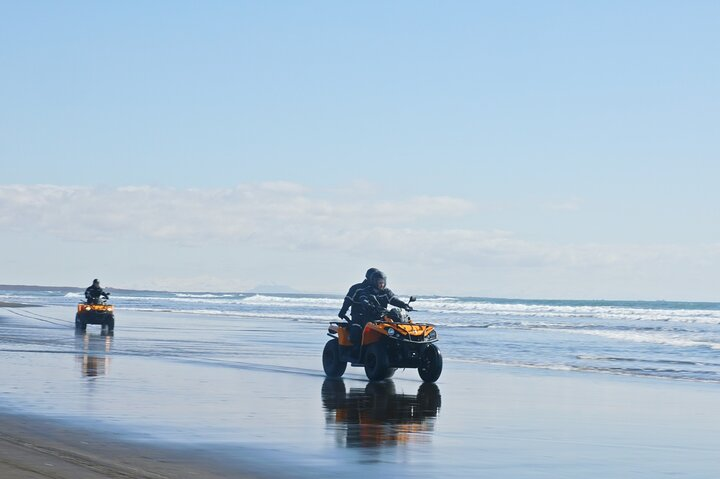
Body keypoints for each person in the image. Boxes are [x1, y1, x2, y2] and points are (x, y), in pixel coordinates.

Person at [350, 270, 412, 350]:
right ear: (374, 282)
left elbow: (393, 299)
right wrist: (368, 304)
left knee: (398, 326)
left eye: (383, 282)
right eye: (379, 282)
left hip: (383, 316)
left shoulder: (386, 291)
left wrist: (404, 305)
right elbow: (363, 298)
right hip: (369, 316)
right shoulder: (367, 291)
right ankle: (358, 349)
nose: (382, 285)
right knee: (357, 330)